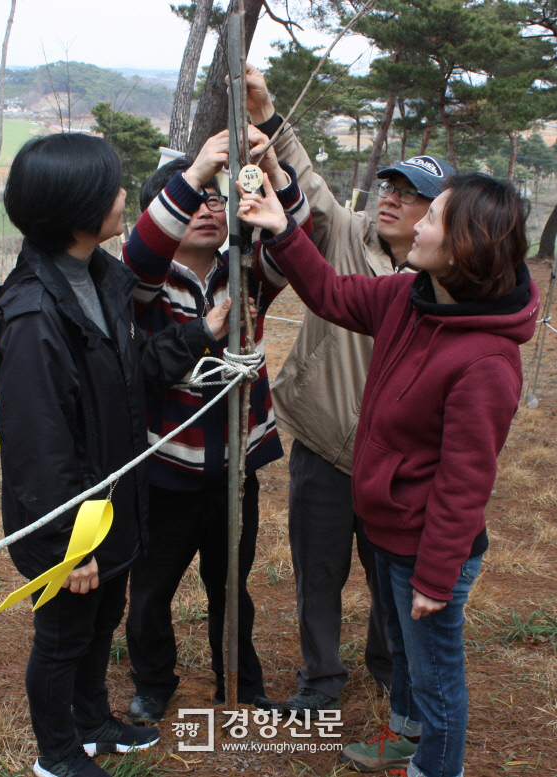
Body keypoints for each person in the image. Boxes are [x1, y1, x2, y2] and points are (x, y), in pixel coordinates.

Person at [237, 170, 538, 777]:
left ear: (465, 245)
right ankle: (403, 737)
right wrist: (282, 228)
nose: (416, 224)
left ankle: (433, 766)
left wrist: (435, 577)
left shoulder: (487, 362)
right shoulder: (411, 298)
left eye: (434, 218)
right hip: (394, 529)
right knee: (406, 654)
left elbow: (464, 485)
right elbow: (330, 293)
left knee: (436, 680)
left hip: (431, 547)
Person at [0, 132, 235, 777]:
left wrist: (200, 335)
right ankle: (57, 754)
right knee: (64, 638)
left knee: (102, 622)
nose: (125, 195)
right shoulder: (34, 312)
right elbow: (40, 447)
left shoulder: (101, 277)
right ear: (78, 206)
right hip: (70, 519)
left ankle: (93, 722)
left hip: (115, 498)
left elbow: (132, 372)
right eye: (114, 187)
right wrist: (73, 545)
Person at [244, 63, 454, 714]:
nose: (390, 197)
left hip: (396, 462)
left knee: (390, 573)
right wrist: (270, 114)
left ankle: (390, 669)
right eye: (387, 184)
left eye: (410, 193)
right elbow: (303, 178)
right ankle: (319, 684)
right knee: (318, 574)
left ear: (437, 213)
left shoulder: (439, 283)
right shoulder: (340, 229)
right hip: (325, 448)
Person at [122, 128, 312, 723]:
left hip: (234, 469)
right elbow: (143, 252)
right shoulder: (144, 285)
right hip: (164, 468)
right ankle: (153, 682)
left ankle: (243, 682)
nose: (207, 210)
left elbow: (295, 240)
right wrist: (200, 167)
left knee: (231, 586)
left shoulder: (249, 271)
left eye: (215, 199)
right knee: (151, 590)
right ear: (170, 212)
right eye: (195, 200)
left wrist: (273, 168)